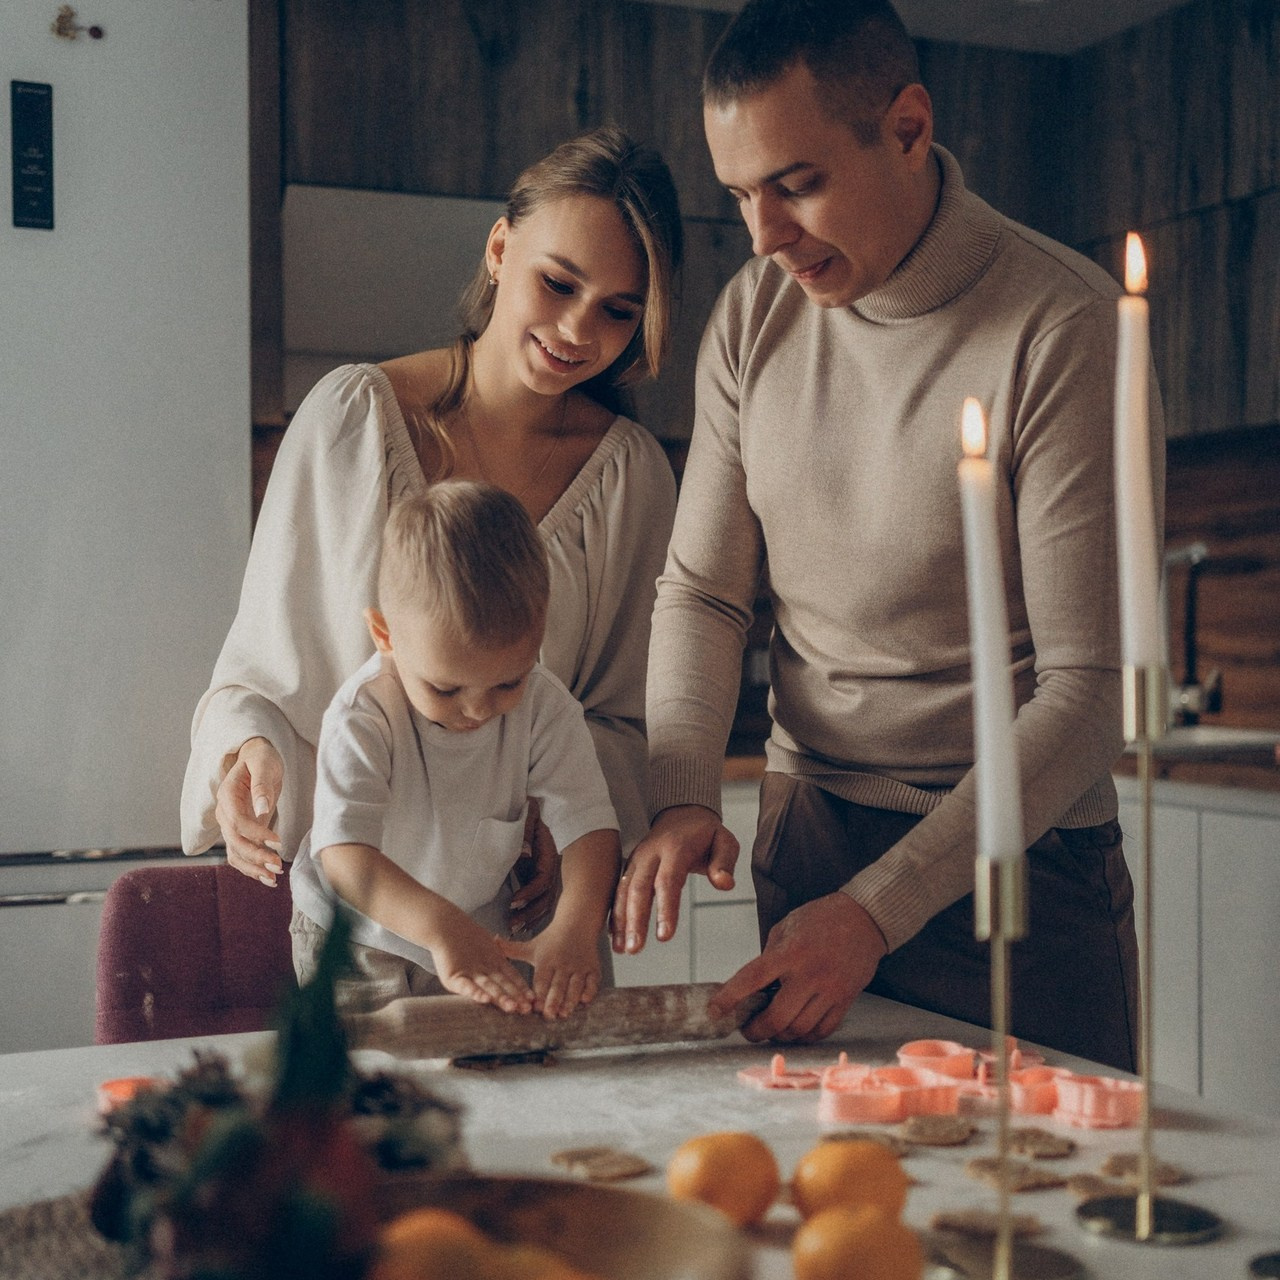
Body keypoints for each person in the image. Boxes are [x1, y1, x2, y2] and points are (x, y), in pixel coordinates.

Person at [613, 0, 1161, 1071]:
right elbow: (703, 593)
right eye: (739, 197)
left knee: (1048, 1224)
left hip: (1016, 873)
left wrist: (879, 907)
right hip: (807, 845)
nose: (765, 237)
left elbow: (1091, 690)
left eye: (796, 183)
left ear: (907, 128)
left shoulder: (1061, 325)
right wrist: (680, 790)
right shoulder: (749, 315)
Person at [182, 126, 683, 938]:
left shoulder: (631, 480)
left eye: (619, 312)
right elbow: (270, 673)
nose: (577, 331)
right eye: (557, 284)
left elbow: (625, 721)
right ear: (498, 249)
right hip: (362, 924)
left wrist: (565, 823)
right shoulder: (353, 421)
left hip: (531, 929)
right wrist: (249, 754)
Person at [289, 484, 621, 1018]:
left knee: (483, 1081)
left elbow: (590, 827)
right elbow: (346, 860)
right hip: (355, 941)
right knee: (369, 1088)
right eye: (446, 689)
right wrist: (442, 929)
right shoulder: (363, 715)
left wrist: (576, 926)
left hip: (478, 930)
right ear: (385, 635)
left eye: (508, 682)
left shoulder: (544, 704)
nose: (480, 709)